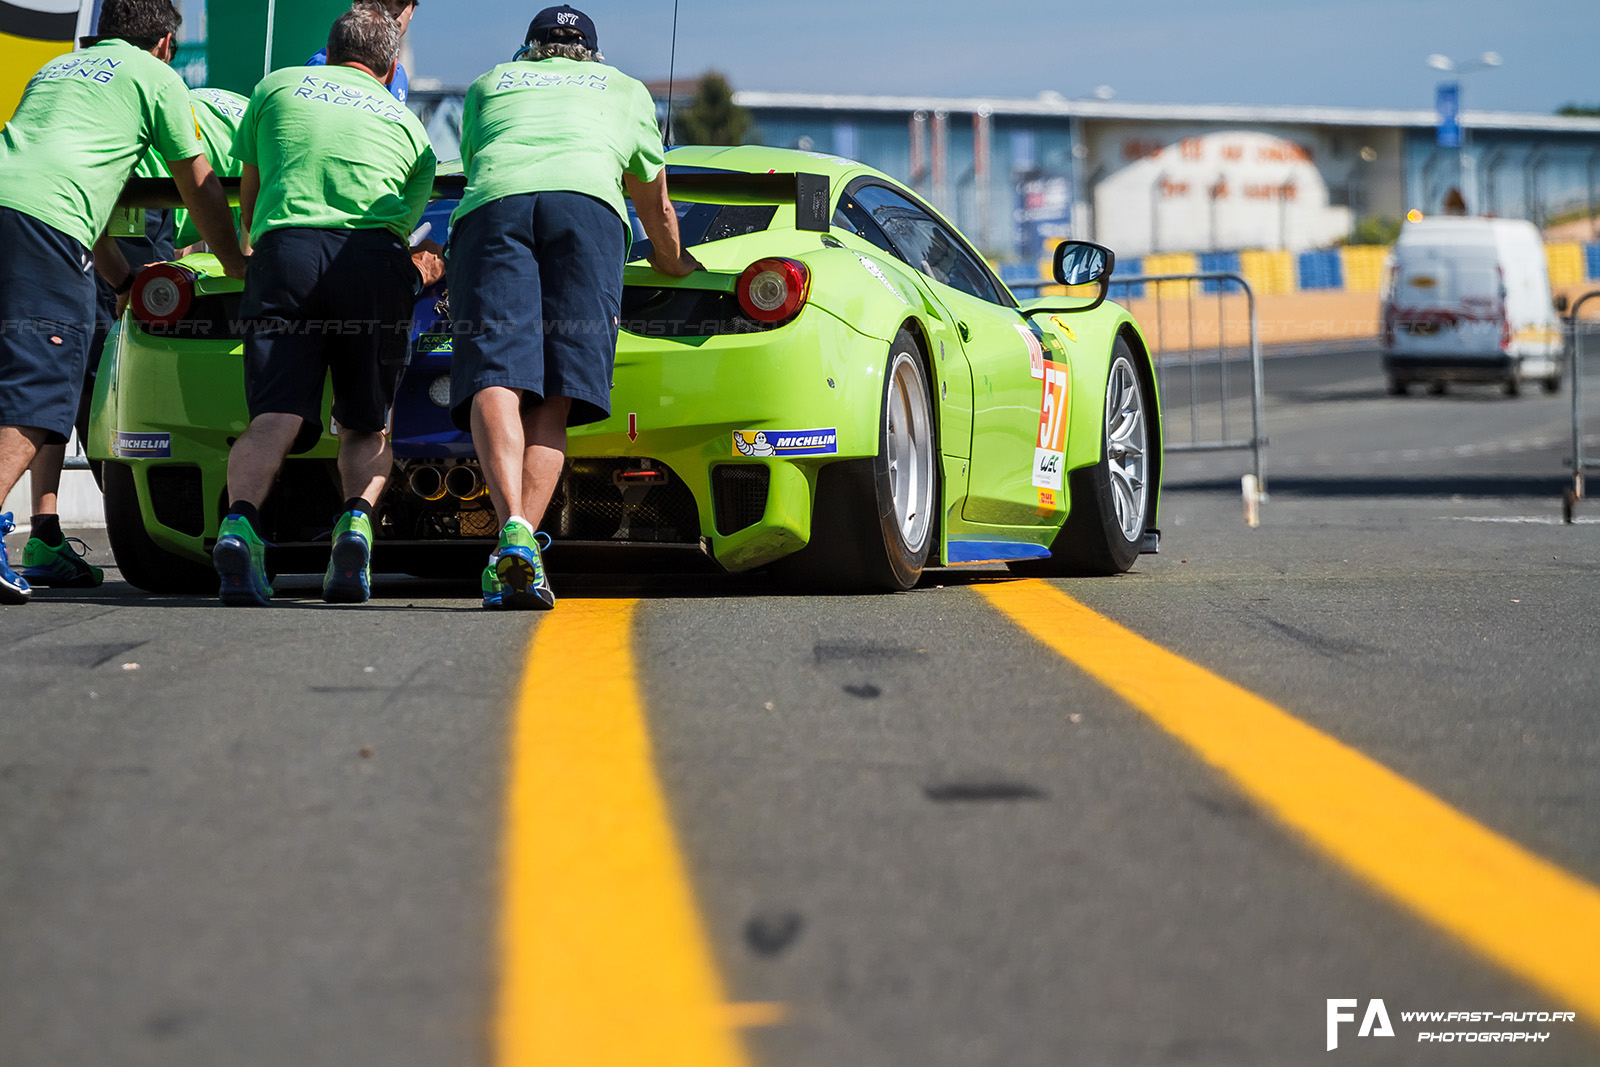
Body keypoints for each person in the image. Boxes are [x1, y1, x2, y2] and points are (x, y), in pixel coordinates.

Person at [449, 5, 700, 611]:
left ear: (528, 50)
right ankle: (519, 546)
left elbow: (477, 162)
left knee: (495, 375)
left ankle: (511, 528)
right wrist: (674, 263)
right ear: (593, 53)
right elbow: (656, 205)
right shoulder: (625, 89)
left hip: (495, 209)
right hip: (587, 210)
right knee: (556, 395)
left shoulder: (489, 83)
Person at [0, 0, 245, 606]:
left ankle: (42, 534)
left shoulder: (57, 69)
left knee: (20, 382)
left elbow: (88, 203)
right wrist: (238, 263)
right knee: (41, 389)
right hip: (44, 222)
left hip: (22, 208)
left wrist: (119, 284)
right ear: (164, 44)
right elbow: (198, 182)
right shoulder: (156, 77)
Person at [214, 6, 442, 607]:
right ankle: (355, 528)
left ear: (331, 49)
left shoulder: (275, 88)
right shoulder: (408, 126)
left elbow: (251, 197)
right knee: (367, 423)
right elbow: (402, 224)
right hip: (370, 261)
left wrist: (257, 253)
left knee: (273, 417)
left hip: (284, 253)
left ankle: (239, 524)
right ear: (389, 69)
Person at [306, 0, 418, 104]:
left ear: (412, 11)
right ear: (358, 4)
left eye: (402, 2)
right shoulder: (323, 63)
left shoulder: (400, 74)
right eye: (383, 1)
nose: (393, 11)